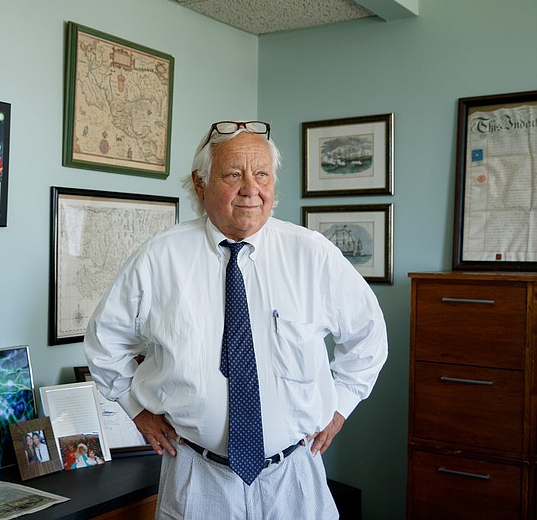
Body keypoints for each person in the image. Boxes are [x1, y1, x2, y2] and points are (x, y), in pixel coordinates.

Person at [85, 121, 388, 519]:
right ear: (200, 184)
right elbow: (104, 340)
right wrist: (136, 409)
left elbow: (368, 337)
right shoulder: (161, 258)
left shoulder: (313, 255)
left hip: (294, 476)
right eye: (233, 174)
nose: (251, 188)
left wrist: (341, 405)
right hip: (197, 478)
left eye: (262, 174)